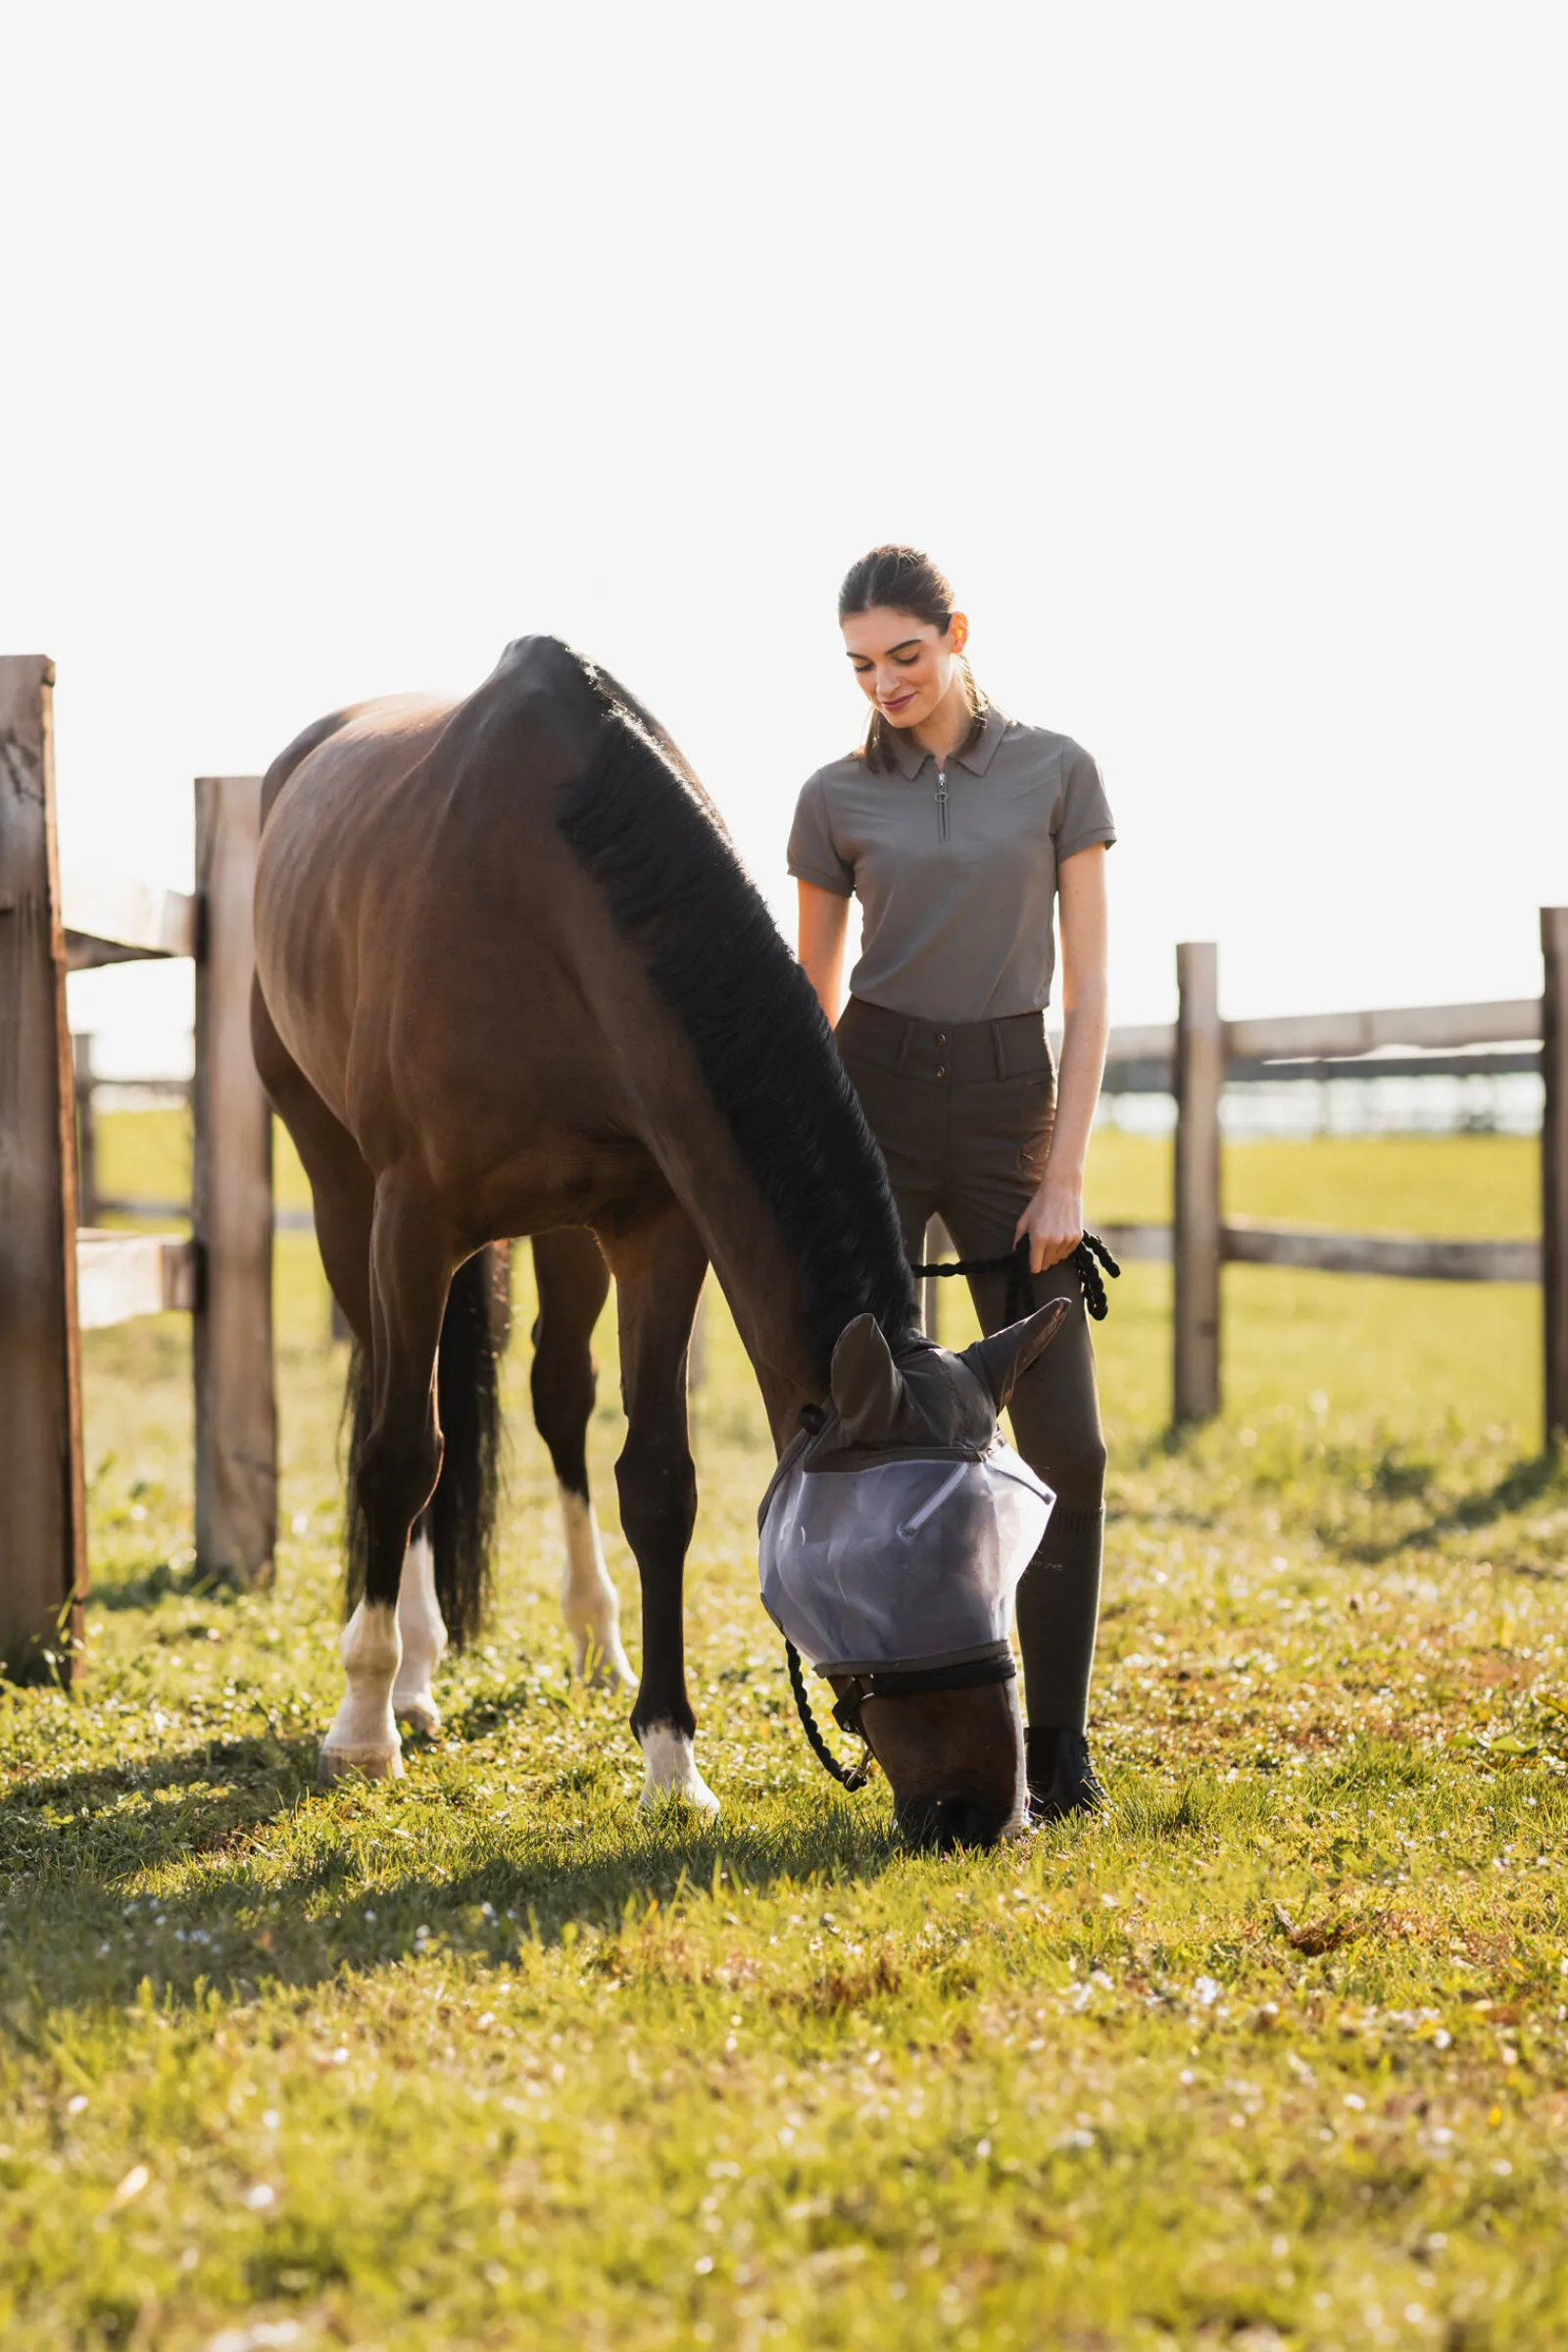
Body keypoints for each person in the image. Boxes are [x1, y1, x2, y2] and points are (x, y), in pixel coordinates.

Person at [790, 545, 1115, 1819]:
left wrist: (1065, 1175)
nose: (887, 684)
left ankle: (1061, 1748)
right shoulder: (832, 799)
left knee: (1068, 1447)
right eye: (863, 666)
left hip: (1008, 1118)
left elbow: (1090, 993)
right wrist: (812, 1174)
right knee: (881, 1447)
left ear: (957, 634)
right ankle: (903, 1729)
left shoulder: (1056, 773)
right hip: (871, 1104)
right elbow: (811, 1007)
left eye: (906, 657)